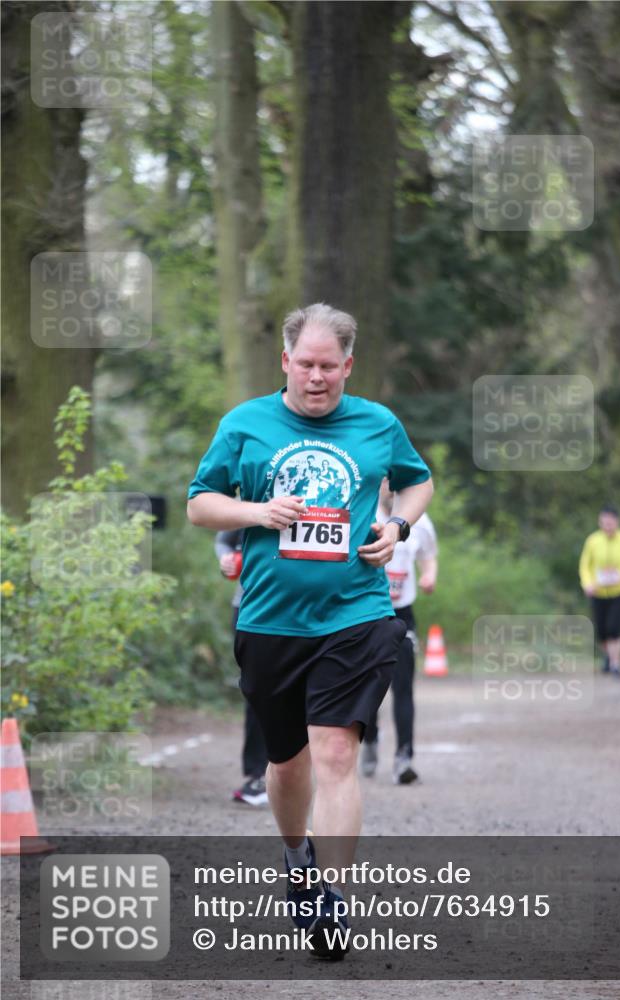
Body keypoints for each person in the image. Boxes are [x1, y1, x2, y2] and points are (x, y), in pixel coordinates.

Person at [187, 302, 433, 959]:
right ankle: (296, 856)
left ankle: (331, 899)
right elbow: (198, 504)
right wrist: (257, 511)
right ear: (285, 362)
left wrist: (396, 527)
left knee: (334, 752)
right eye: (305, 365)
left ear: (347, 365)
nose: (316, 377)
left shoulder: (377, 424)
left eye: (329, 366)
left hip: (355, 613)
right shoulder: (245, 424)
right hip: (268, 620)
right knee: (286, 761)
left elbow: (417, 482)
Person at [361, 478, 438, 785]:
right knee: (367, 687)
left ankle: (404, 756)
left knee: (403, 686)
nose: (390, 486)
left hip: (402, 614)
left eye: (395, 481)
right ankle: (369, 739)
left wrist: (429, 575)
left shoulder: (420, 521)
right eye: (384, 480)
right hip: (367, 614)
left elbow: (429, 554)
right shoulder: (364, 515)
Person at [214, 528, 269, 806]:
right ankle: (257, 775)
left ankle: (300, 770)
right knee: (256, 689)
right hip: (250, 605)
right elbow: (224, 540)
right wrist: (225, 560)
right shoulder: (246, 500)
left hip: (304, 604)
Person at [578, 505, 620, 677]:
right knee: (602, 630)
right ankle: (609, 658)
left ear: (617, 522)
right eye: (604, 523)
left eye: (610, 523)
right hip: (599, 592)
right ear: (600, 522)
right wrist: (587, 584)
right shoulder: (593, 541)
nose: (607, 526)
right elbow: (584, 566)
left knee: (614, 627)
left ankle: (616, 664)